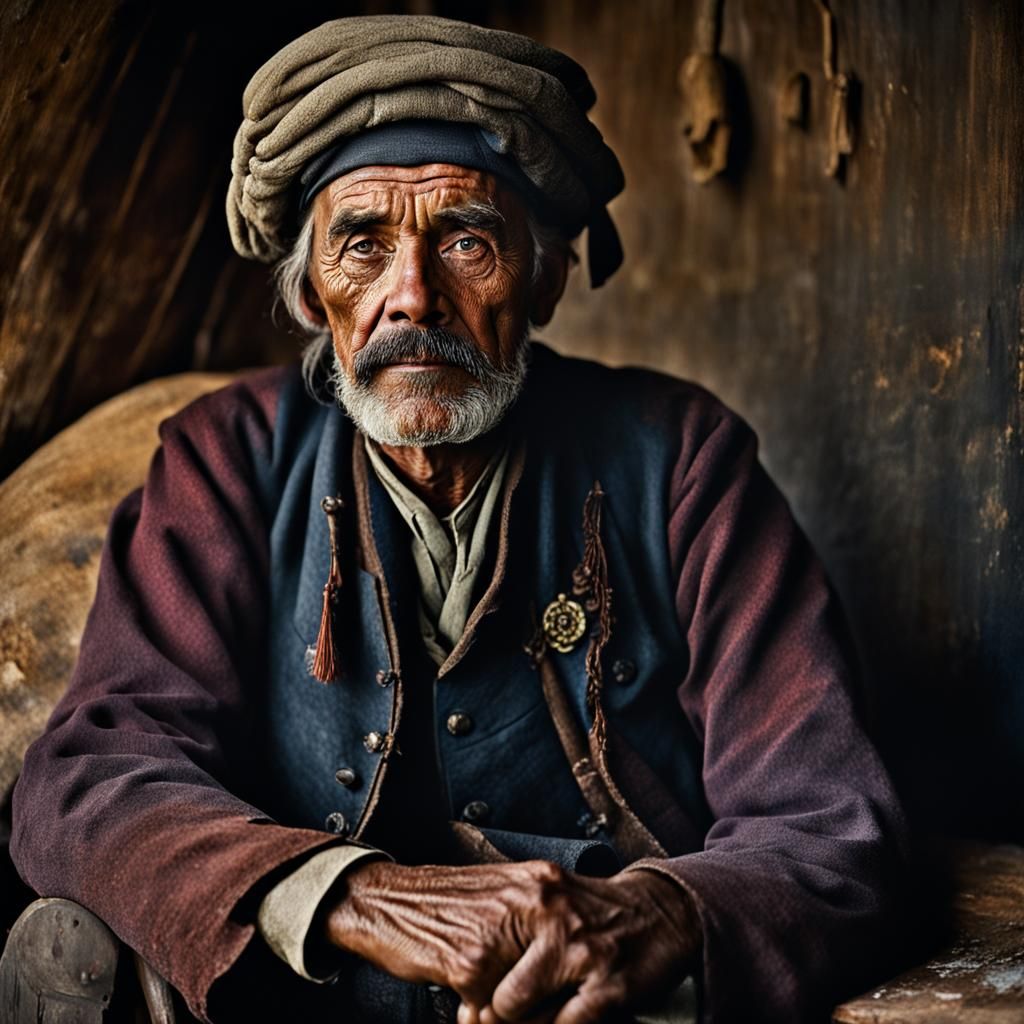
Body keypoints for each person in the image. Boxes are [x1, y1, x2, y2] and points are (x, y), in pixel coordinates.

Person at [9, 15, 906, 1024]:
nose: (413, 298)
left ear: (545, 277)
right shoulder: (227, 460)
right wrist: (352, 892)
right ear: (311, 294)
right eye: (361, 243)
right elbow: (88, 778)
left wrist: (654, 913)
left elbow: (828, 816)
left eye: (467, 241)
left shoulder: (682, 456)